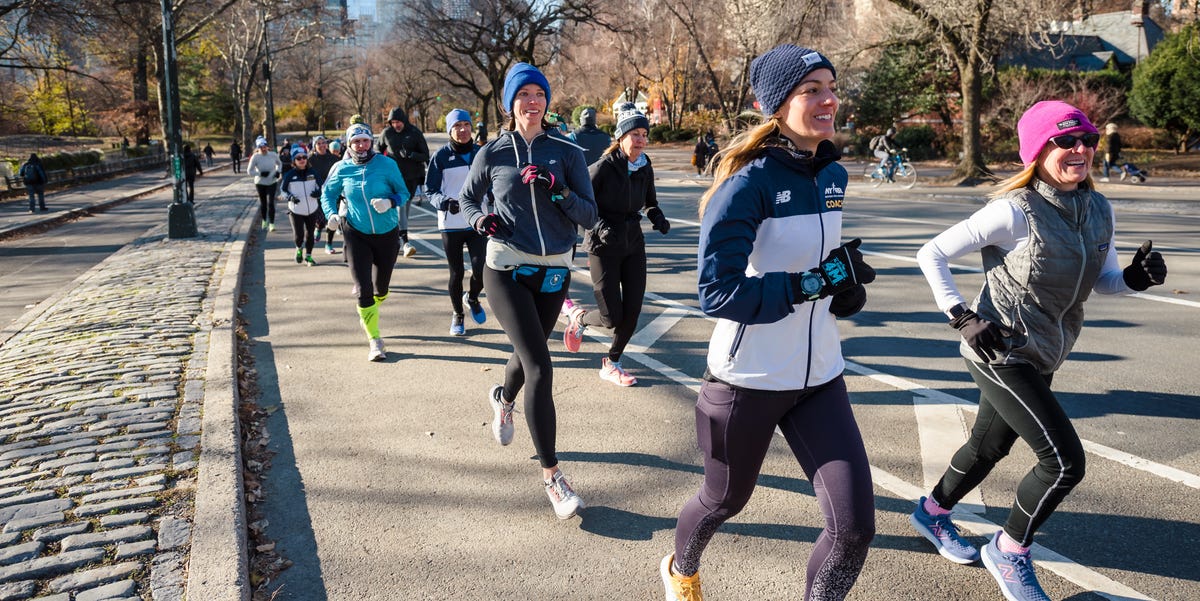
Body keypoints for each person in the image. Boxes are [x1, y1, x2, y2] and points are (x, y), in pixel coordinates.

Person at [911, 100, 1168, 601]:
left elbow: (1105, 281)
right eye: (1065, 141)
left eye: (1087, 141)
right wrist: (961, 316)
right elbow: (932, 253)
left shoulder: (1097, 208)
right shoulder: (1012, 210)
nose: (1080, 150)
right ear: (1038, 150)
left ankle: (932, 513)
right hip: (999, 348)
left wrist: (1136, 279)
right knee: (1064, 462)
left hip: (1046, 348)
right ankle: (1008, 551)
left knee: (989, 446)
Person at [661, 45, 877, 601]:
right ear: (776, 104)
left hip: (820, 378)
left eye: (831, 85)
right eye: (811, 89)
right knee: (724, 501)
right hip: (747, 381)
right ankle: (680, 568)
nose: (828, 98)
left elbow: (817, 271)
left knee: (853, 530)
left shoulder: (831, 172)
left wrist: (842, 287)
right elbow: (717, 290)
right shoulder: (747, 183)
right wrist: (810, 284)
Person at [459, 62, 597, 520]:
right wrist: (481, 220)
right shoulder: (493, 152)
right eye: (523, 95)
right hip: (505, 267)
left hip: (554, 269)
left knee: (526, 353)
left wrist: (558, 190)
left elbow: (589, 215)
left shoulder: (567, 150)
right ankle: (553, 476)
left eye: (539, 94)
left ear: (547, 102)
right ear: (509, 103)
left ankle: (503, 399)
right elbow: (466, 198)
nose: (532, 102)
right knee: (540, 364)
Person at [560, 103, 667, 386]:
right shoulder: (601, 169)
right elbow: (579, 205)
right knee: (611, 317)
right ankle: (580, 319)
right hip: (602, 246)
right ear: (621, 138)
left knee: (632, 310)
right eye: (636, 134)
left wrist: (657, 216)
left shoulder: (645, 165)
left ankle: (613, 362)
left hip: (633, 243)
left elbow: (649, 202)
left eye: (645, 134)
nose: (641, 140)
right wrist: (597, 225)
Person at [321, 122, 410, 361]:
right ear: (348, 144)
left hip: (387, 232)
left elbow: (404, 192)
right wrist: (330, 214)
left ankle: (369, 311)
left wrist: (390, 202)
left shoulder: (387, 164)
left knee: (381, 289)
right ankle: (375, 340)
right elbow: (327, 193)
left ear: (371, 141)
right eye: (355, 141)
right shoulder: (341, 168)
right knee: (363, 289)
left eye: (365, 140)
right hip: (355, 232)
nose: (361, 145)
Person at [426, 109, 488, 336]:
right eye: (457, 126)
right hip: (451, 223)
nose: (462, 130)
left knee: (482, 268)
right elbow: (430, 190)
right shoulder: (440, 156)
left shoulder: (481, 153)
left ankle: (472, 298)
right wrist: (443, 202)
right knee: (456, 272)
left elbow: (491, 182)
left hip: (477, 220)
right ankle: (458, 314)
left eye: (466, 125)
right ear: (450, 130)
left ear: (472, 127)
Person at [377, 107, 430, 258]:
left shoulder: (414, 133)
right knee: (400, 205)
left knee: (404, 207)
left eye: (398, 122)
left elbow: (425, 154)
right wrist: (383, 162)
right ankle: (404, 240)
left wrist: (411, 155)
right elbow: (378, 149)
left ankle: (399, 237)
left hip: (412, 176)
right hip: (393, 177)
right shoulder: (387, 133)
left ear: (404, 121)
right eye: (393, 122)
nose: (396, 125)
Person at [280, 147, 323, 266]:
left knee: (310, 234)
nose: (302, 160)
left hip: (312, 209)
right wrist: (290, 197)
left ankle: (308, 256)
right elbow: (282, 190)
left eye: (304, 157)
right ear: (294, 161)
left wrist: (319, 193)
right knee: (299, 235)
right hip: (296, 210)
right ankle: (299, 249)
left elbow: (322, 186)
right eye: (298, 158)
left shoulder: (313, 173)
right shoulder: (289, 175)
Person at [308, 135, 341, 254]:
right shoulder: (310, 160)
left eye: (323, 143)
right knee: (320, 219)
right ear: (314, 146)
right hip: (316, 193)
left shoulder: (334, 159)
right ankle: (318, 227)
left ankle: (329, 244)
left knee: (331, 219)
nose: (322, 146)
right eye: (319, 144)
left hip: (332, 193)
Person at [247, 136, 282, 231]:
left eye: (265, 146)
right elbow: (249, 171)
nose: (263, 148)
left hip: (272, 181)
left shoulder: (273, 155)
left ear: (267, 146)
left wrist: (278, 171)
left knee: (271, 203)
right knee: (263, 203)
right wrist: (260, 173)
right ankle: (264, 220)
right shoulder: (255, 157)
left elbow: (280, 164)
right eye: (261, 147)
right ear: (258, 148)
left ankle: (272, 223)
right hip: (260, 182)